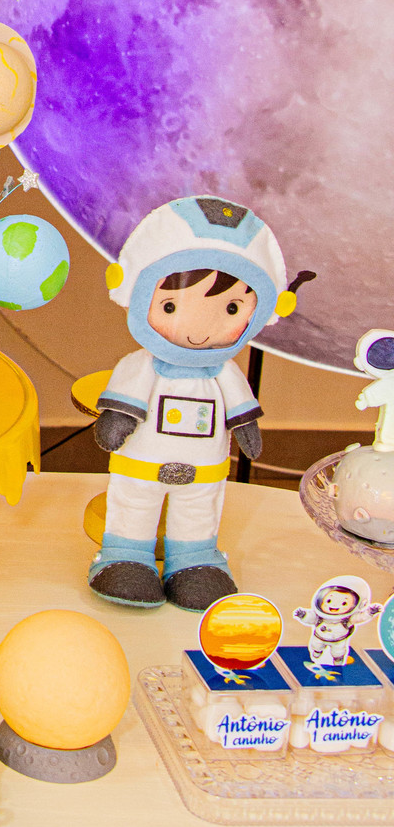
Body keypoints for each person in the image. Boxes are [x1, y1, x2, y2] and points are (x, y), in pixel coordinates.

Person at [88, 195, 312, 611]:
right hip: (142, 463)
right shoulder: (143, 365)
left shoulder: (225, 372)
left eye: (232, 308)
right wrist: (117, 418)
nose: (198, 329)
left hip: (204, 470)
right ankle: (125, 555)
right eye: (171, 305)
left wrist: (246, 427)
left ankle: (194, 561)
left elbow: (240, 407)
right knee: (134, 504)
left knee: (198, 512)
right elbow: (128, 395)